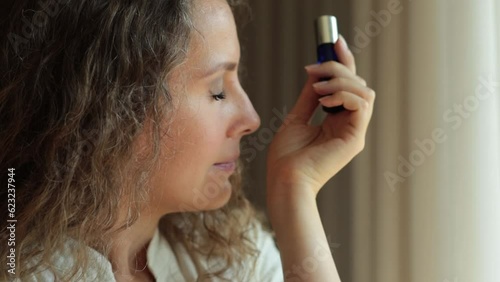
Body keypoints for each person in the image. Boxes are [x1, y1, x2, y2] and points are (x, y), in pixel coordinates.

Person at [0, 0, 375, 281]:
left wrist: (295, 190)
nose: (252, 119)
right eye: (217, 90)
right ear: (115, 104)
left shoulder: (235, 256)